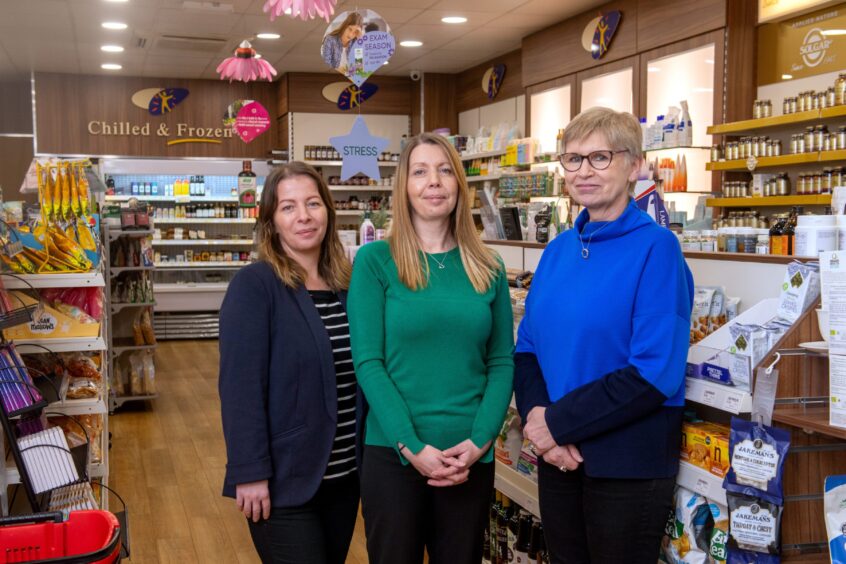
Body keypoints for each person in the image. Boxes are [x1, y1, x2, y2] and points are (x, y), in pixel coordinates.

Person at [514, 107, 694, 564]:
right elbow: (527, 348)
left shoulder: (658, 249)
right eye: (573, 159)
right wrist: (542, 423)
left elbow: (655, 375)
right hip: (559, 456)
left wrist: (552, 425)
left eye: (600, 157)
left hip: (626, 462)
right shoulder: (558, 250)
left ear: (635, 165)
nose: (584, 171)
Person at [347, 132, 514, 564]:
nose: (433, 182)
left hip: (468, 458)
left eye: (444, 171)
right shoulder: (375, 262)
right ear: (404, 187)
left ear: (460, 184)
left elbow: (500, 362)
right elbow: (368, 362)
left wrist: (480, 442)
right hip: (394, 454)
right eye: (419, 172)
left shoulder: (487, 266)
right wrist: (410, 446)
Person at [219, 162, 360, 564]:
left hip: (344, 479)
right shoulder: (255, 286)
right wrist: (249, 471)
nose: (304, 216)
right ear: (271, 221)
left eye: (313, 203)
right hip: (284, 483)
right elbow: (239, 389)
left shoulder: (346, 285)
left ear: (328, 212)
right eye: (288, 207)